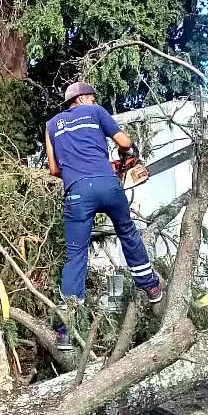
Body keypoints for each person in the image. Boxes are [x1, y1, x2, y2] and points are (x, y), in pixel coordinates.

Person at [45, 82, 163, 350]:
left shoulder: (51, 125)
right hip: (109, 186)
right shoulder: (96, 111)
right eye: (92, 97)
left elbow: (53, 169)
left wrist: (78, 173)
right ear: (84, 98)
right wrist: (125, 158)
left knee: (76, 255)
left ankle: (65, 331)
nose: (94, 99)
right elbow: (125, 142)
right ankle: (151, 286)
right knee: (127, 233)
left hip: (76, 192)